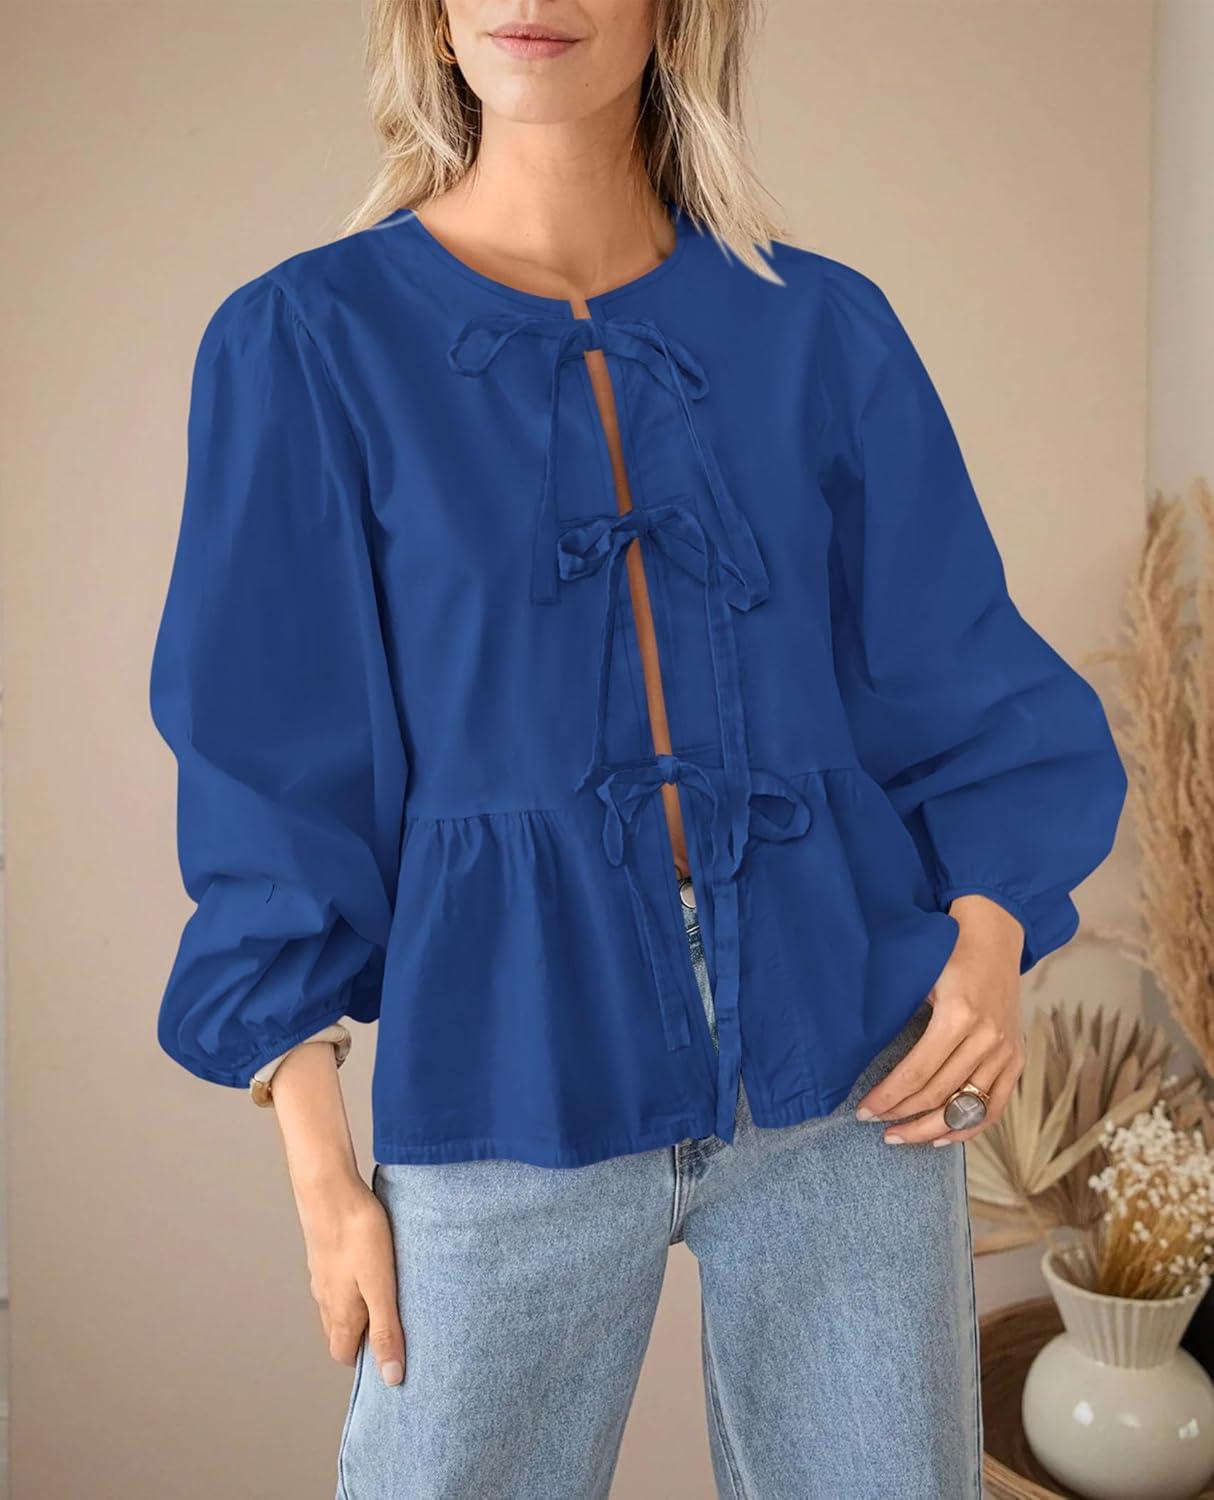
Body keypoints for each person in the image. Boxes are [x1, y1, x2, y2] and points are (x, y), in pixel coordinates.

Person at [148, 1, 1128, 1495]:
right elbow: (270, 755)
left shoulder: (822, 324)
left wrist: (988, 941)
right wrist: (322, 1172)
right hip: (504, 1059)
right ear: (430, 17)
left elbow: (952, 666)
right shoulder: (306, 340)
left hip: (854, 1069)